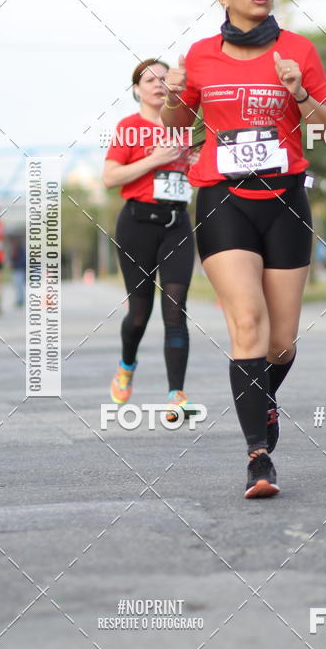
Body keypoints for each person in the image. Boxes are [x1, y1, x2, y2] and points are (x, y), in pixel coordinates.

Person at [161, 0, 326, 498]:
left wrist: (300, 93)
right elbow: (176, 123)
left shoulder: (299, 50)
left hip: (285, 198)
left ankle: (262, 398)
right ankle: (258, 459)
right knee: (248, 324)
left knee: (281, 342)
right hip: (222, 199)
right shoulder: (200, 55)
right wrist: (172, 92)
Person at [103, 58, 196, 416]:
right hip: (137, 224)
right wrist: (154, 159)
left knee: (175, 308)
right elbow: (110, 178)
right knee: (139, 314)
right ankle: (126, 366)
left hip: (177, 224)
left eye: (164, 78)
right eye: (149, 79)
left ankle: (176, 393)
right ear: (137, 89)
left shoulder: (185, 124)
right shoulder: (129, 127)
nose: (158, 84)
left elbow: (195, 169)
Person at [9, 237, 26, 307]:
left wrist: (15, 264)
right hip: (15, 270)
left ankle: (20, 300)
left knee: (19, 285)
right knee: (16, 285)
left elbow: (23, 260)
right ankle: (18, 299)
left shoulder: (21, 249)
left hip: (20, 269)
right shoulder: (13, 250)